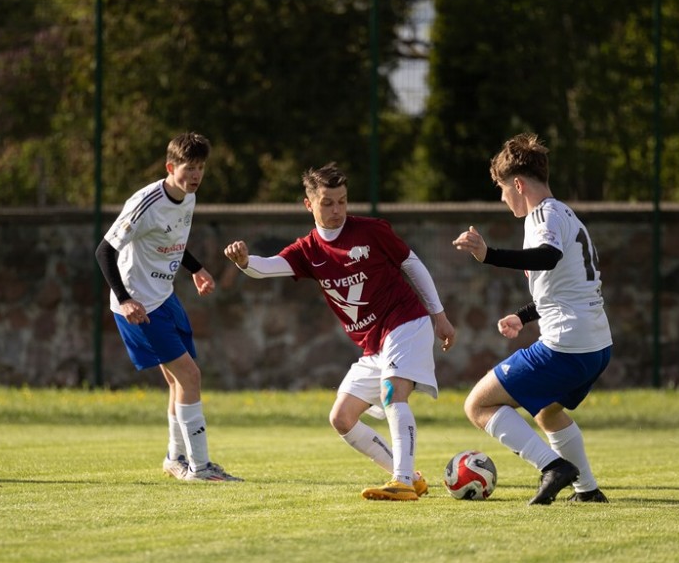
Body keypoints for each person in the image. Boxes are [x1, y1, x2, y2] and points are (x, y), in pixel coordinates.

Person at [224, 162, 456, 501]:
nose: (337, 210)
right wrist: (245, 262)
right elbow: (267, 267)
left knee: (393, 393)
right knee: (342, 418)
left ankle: (403, 481)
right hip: (374, 346)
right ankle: (413, 478)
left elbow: (412, 264)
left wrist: (440, 315)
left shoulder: (371, 231)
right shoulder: (308, 250)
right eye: (328, 203)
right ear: (309, 204)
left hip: (406, 322)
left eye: (343, 201)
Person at [452, 133, 612, 505]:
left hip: (567, 346)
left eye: (503, 188)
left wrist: (488, 254)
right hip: (597, 345)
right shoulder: (565, 214)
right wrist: (524, 316)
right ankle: (587, 490)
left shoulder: (544, 215)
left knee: (478, 406)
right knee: (547, 412)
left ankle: (553, 467)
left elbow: (547, 257)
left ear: (519, 185)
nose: (503, 198)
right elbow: (565, 285)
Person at [95, 131, 241, 483]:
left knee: (179, 381)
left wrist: (196, 268)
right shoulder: (145, 203)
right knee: (190, 376)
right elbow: (104, 251)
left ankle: (175, 459)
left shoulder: (188, 197)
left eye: (201, 168)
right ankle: (200, 468)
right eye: (189, 168)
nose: (196, 175)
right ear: (170, 167)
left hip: (164, 297)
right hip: (140, 305)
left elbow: (171, 239)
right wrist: (125, 300)